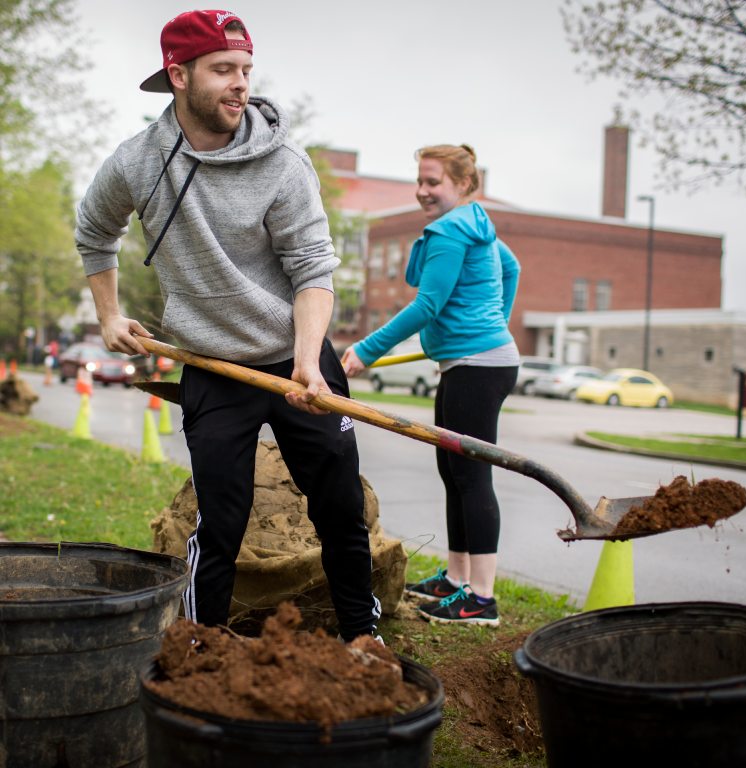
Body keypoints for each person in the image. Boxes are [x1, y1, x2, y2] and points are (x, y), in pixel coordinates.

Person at [75, 10, 380, 642]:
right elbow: (94, 231)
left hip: (296, 357)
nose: (240, 83)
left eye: (246, 69)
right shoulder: (137, 163)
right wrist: (107, 314)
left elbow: (314, 270)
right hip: (213, 365)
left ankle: (361, 634)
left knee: (341, 509)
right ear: (178, 75)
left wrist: (304, 363)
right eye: (223, 70)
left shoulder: (285, 164)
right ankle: (201, 641)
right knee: (221, 518)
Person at [343, 144, 520, 627]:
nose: (422, 191)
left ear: (463, 185)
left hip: (477, 364)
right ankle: (458, 580)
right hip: (471, 361)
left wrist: (365, 350)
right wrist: (491, 326)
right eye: (419, 181)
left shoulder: (449, 231)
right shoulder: (476, 223)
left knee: (472, 476)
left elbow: (427, 306)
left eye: (433, 182)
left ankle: (481, 597)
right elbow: (512, 269)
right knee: (453, 472)